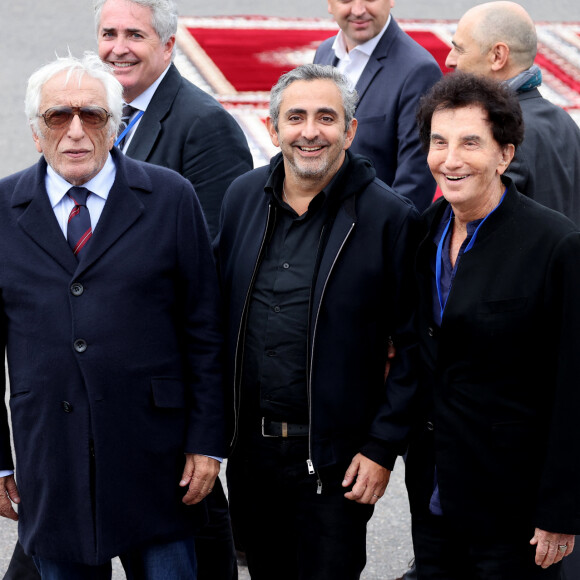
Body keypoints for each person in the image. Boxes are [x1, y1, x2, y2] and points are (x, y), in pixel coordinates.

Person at [0, 52, 225, 578]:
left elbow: (205, 330)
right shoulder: (2, 209)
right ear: (37, 132)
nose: (75, 131)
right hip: (50, 456)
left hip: (157, 456)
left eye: (93, 116)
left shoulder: (171, 197)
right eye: (58, 116)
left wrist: (207, 442)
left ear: (115, 127)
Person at [213, 63, 422, 580]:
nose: (310, 131)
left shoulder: (390, 218)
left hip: (335, 462)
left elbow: (417, 349)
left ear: (350, 130)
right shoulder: (242, 198)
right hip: (251, 455)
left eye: (326, 118)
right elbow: (213, 319)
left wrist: (380, 449)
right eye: (296, 117)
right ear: (272, 128)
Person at [404, 71, 580, 579]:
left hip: (514, 512)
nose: (450, 159)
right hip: (435, 495)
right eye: (440, 142)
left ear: (505, 154)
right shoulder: (424, 232)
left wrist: (559, 513)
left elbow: (574, 391)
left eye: (470, 143)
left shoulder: (555, 245)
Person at [96, 0, 252, 238]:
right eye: (109, 34)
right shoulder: (93, 108)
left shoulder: (207, 126)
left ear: (167, 46)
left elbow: (214, 244)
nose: (118, 49)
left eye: (134, 35)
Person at [445, 0, 580, 226]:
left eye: (459, 49)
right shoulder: (565, 122)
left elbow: (483, 234)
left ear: (498, 56)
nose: (450, 60)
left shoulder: (502, 133)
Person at [314, 0, 442, 212]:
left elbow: (415, 179)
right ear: (330, 3)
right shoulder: (325, 52)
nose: (358, 10)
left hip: (370, 229)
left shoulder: (418, 71)